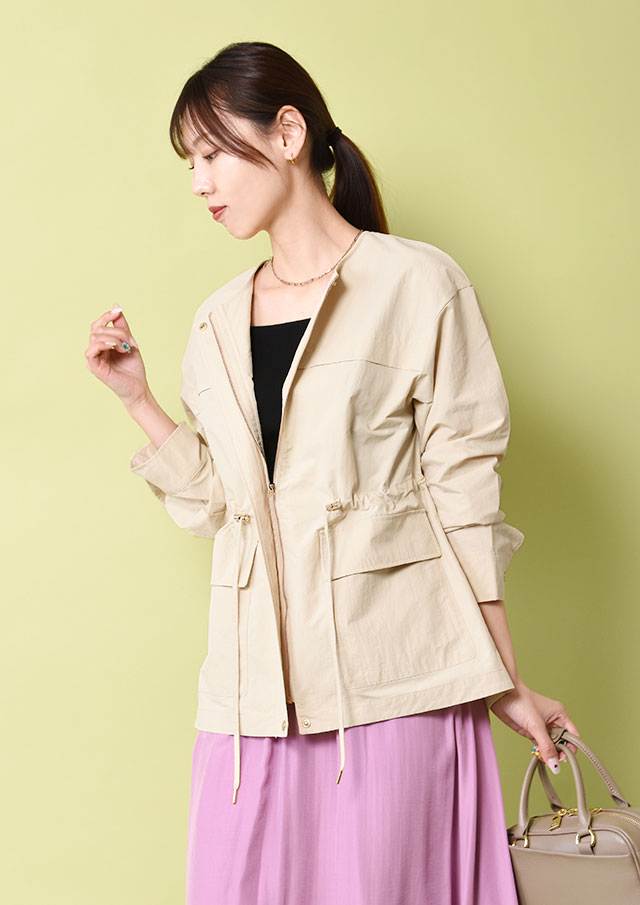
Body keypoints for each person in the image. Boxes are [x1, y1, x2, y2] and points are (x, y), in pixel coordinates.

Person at [85, 40, 581, 905]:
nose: (199, 182)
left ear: (287, 133)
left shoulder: (418, 286)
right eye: (189, 163)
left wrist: (504, 682)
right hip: (251, 703)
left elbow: (464, 498)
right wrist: (138, 400)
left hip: (395, 689)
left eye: (211, 153)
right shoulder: (215, 323)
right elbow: (220, 505)